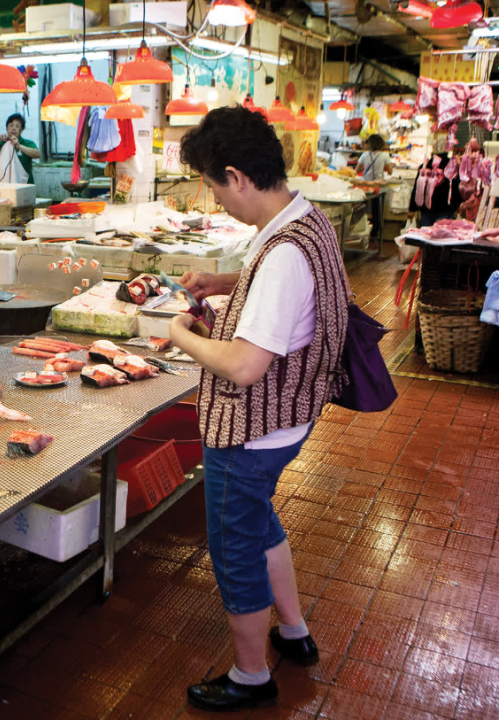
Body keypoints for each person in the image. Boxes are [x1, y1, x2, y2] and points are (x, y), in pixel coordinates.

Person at [168, 106, 349, 713]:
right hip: (290, 417)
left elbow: (245, 366)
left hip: (251, 431)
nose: (218, 202)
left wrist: (180, 335)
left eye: (215, 188)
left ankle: (250, 676)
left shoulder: (282, 255)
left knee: (235, 549)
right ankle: (293, 631)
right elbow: (283, 290)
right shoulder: (304, 219)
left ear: (238, 177)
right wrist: (223, 282)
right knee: (260, 521)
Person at [408, 134, 460, 227]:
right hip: (445, 208)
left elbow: (417, 189)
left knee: (426, 233)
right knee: (441, 234)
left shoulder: (425, 166)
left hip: (427, 209)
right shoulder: (452, 165)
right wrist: (457, 206)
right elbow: (456, 187)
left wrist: (412, 209)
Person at [0, 113, 40, 183]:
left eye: (17, 126)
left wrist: (19, 146)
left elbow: (37, 154)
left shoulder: (27, 143)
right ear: (7, 128)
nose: (13, 128)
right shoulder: (0, 145)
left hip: (24, 185)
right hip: (3, 185)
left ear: (21, 130)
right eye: (11, 125)